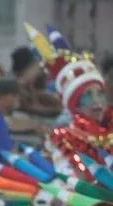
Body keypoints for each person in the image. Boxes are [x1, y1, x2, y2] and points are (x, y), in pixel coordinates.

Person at [28, 24, 113, 181]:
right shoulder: (64, 139)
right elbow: (71, 183)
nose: (96, 101)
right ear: (75, 105)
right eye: (87, 95)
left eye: (100, 94)